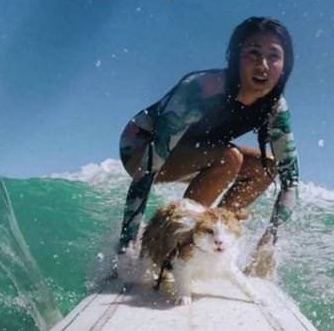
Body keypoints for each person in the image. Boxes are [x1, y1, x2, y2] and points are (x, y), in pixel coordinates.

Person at [117, 16, 299, 271]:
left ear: (284, 66)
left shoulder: (275, 108)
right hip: (139, 147)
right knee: (229, 158)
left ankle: (211, 238)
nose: (263, 64)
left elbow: (290, 180)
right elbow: (147, 168)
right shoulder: (201, 90)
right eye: (253, 53)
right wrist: (127, 244)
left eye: (274, 56)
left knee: (265, 166)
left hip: (198, 149)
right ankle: (174, 244)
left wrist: (268, 243)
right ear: (236, 57)